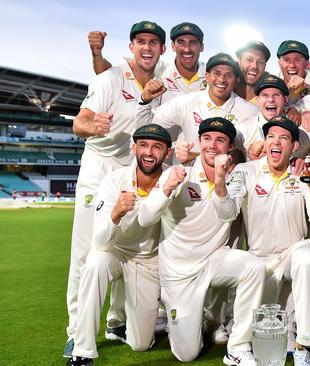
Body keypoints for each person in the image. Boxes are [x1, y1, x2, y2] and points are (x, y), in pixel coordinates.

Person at [65, 20, 166, 358]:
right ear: (131, 46)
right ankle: (76, 332)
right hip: (99, 170)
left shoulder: (159, 77)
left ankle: (116, 319)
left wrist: (97, 54)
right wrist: (90, 126)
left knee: (131, 243)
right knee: (88, 252)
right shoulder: (109, 79)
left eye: (154, 42)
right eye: (141, 41)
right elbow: (81, 120)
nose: (148, 48)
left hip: (134, 170)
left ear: (161, 49)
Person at [137, 117, 265, 365]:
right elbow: (144, 218)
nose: (212, 145)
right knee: (187, 355)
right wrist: (166, 190)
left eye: (220, 140)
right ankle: (190, 314)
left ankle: (238, 347)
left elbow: (228, 213)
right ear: (199, 142)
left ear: (229, 148)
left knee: (254, 266)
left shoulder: (234, 177)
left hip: (214, 261)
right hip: (179, 274)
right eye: (207, 138)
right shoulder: (177, 173)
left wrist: (219, 182)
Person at [217, 116, 310, 366]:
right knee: (266, 341)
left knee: (307, 255)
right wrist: (219, 183)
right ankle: (241, 342)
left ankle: (303, 345)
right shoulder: (245, 172)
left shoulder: (303, 173)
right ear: (265, 142)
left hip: (293, 253)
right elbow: (227, 213)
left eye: (284, 138)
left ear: (294, 147)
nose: (276, 142)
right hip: (261, 262)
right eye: (271, 137)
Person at [68, 124, 171, 366]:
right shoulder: (113, 181)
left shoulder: (171, 181)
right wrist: (115, 213)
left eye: (157, 147)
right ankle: (82, 351)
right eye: (143, 145)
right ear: (133, 147)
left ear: (167, 153)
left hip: (147, 261)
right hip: (115, 252)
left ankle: (122, 326)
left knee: (141, 344)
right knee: (95, 262)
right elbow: (100, 242)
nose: (149, 152)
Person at [137, 52, 258, 163]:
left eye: (228, 75)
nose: (222, 79)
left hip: (230, 183)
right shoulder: (185, 102)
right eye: (216, 73)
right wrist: (144, 101)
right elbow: (146, 130)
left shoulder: (251, 111)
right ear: (207, 76)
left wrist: (195, 156)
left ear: (236, 81)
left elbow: (257, 156)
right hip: (191, 183)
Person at [88, 22, 206, 105]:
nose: (187, 49)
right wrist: (97, 54)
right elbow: (106, 73)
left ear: (202, 47)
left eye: (193, 43)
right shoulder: (162, 69)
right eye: (181, 42)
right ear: (172, 47)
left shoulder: (212, 75)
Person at [276, 40, 310, 106]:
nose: (292, 65)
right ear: (279, 64)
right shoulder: (271, 85)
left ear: (306, 64)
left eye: (297, 60)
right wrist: (288, 93)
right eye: (286, 60)